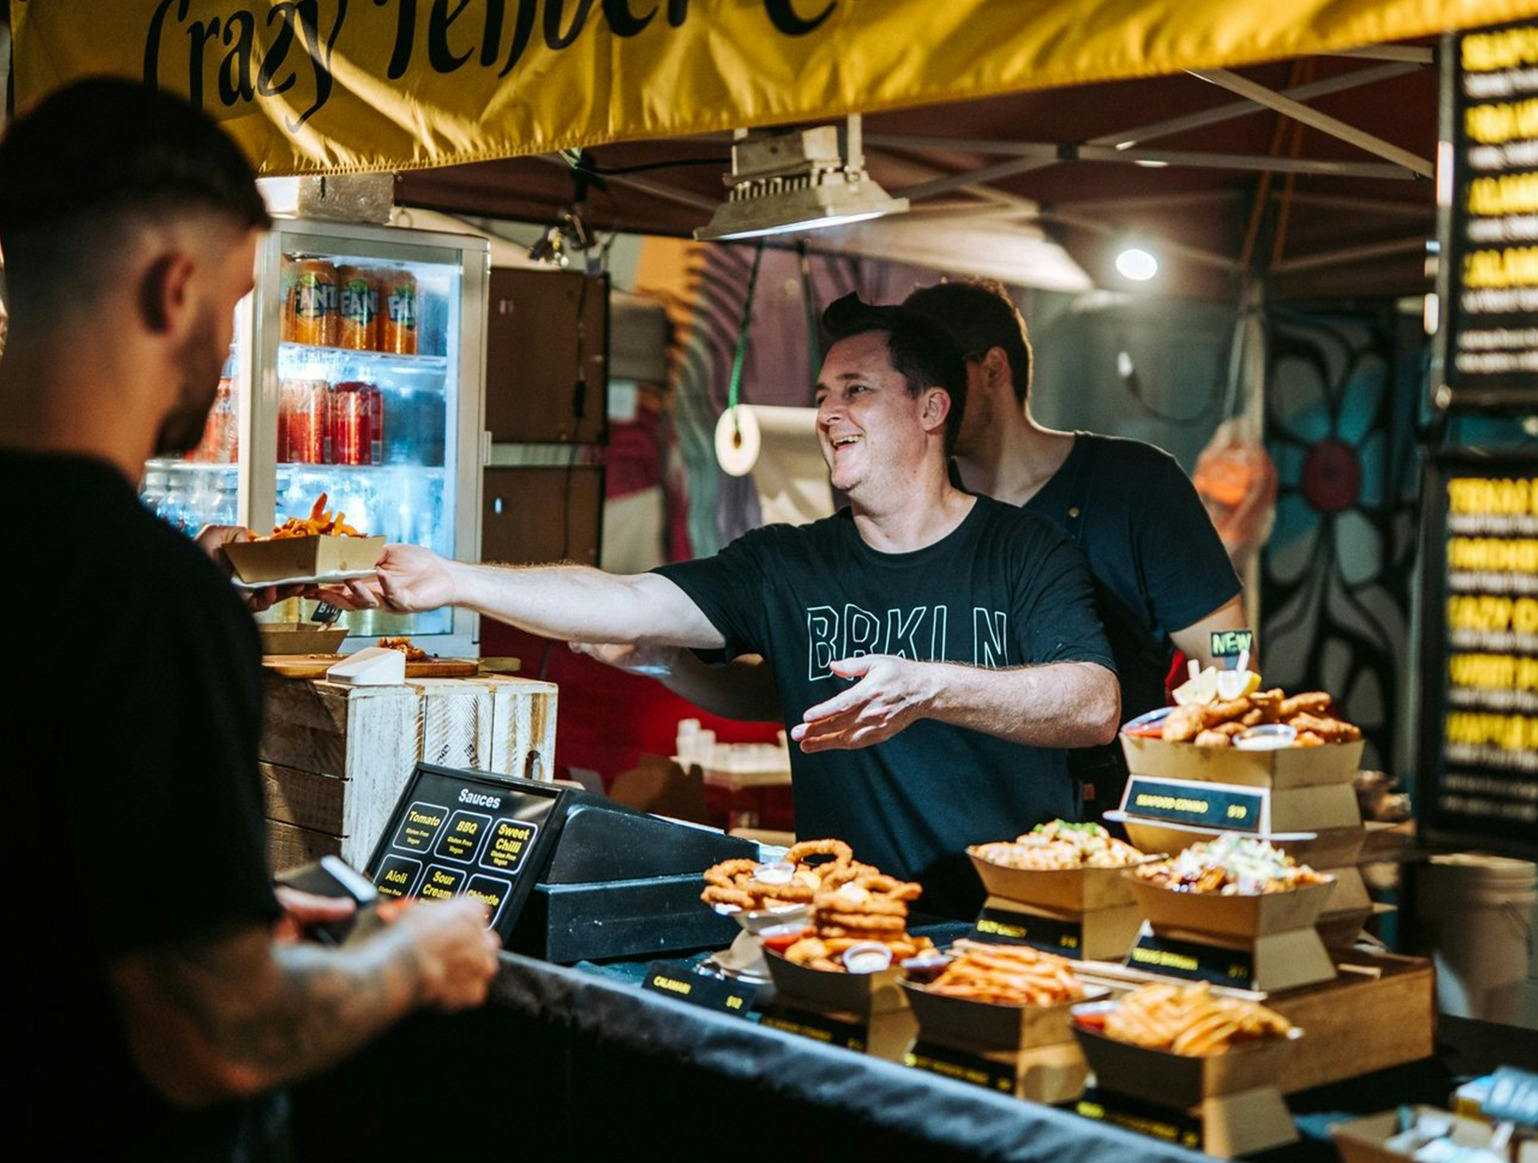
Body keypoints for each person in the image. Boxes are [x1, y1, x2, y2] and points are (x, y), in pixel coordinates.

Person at [0, 78, 500, 1163]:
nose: (232, 349)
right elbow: (216, 1034)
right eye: (235, 303)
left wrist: (220, 901)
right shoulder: (141, 597)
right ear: (174, 288)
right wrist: (412, 957)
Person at [327, 294, 1119, 914]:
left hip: (1009, 927)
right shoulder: (786, 563)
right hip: (845, 924)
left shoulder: (1024, 550)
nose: (827, 414)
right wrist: (453, 579)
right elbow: (629, 599)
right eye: (823, 395)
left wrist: (931, 687)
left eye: (857, 391)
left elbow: (1094, 704)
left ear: (931, 409)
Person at [586, 279, 1245, 820]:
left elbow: (1229, 648)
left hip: (1108, 811)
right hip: (945, 829)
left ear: (991, 370)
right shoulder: (907, 509)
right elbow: (807, 681)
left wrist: (1214, 771)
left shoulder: (1132, 486)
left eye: (935, 364)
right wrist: (669, 664)